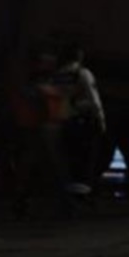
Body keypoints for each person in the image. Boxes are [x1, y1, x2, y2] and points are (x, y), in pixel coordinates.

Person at [9, 44, 77, 219]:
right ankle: (62, 204)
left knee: (39, 164)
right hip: (42, 125)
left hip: (42, 124)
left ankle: (26, 201)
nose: (49, 63)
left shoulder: (42, 80)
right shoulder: (40, 81)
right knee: (51, 165)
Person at [51, 43, 107, 197]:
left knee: (69, 155)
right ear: (78, 56)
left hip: (63, 118)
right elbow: (93, 98)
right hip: (82, 119)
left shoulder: (59, 74)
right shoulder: (82, 73)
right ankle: (84, 190)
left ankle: (68, 187)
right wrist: (101, 120)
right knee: (87, 155)